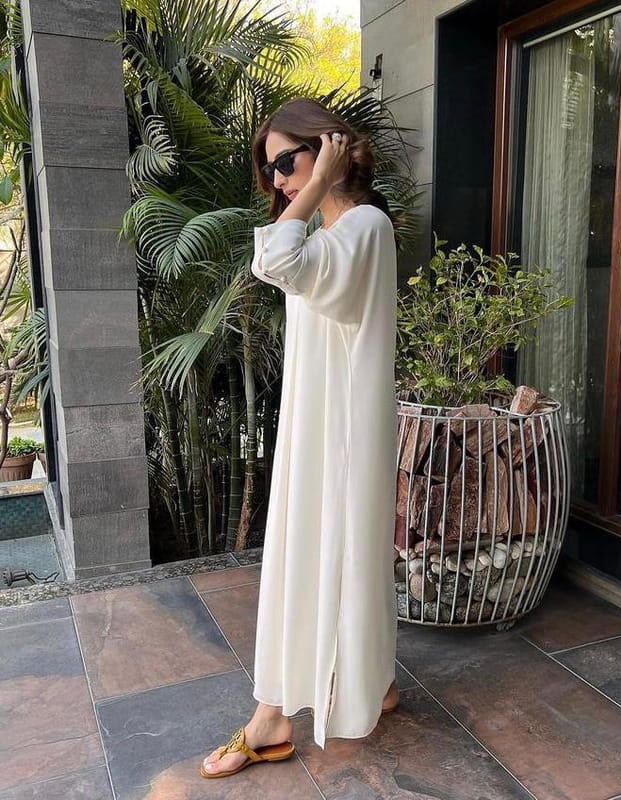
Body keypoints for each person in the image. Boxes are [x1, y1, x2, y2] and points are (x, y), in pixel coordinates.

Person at [200, 97, 399, 780]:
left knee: (314, 556)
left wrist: (315, 187)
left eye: (287, 162)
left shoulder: (363, 225)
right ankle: (372, 681)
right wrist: (312, 193)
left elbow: (275, 262)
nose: (280, 180)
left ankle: (271, 719)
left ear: (330, 147)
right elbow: (284, 260)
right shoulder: (335, 232)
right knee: (336, 555)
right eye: (271, 170)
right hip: (322, 422)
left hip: (338, 431)